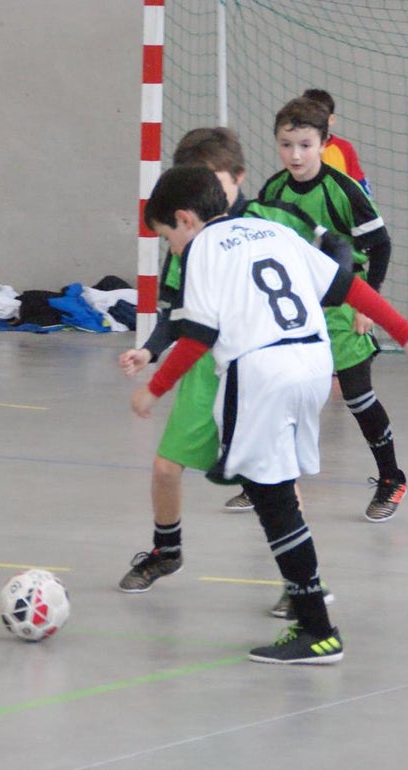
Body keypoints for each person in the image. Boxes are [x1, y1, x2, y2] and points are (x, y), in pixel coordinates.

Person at [132, 165, 408, 664]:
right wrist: (406, 333)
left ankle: (317, 629)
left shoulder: (203, 250)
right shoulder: (273, 230)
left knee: (274, 501)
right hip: (314, 366)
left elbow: (200, 335)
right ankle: (302, 603)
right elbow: (347, 288)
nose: (171, 250)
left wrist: (155, 388)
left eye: (167, 238)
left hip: (262, 374)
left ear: (186, 220)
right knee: (269, 486)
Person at [116, 128, 345, 616]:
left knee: (280, 486)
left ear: (239, 178)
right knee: (164, 467)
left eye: (218, 182)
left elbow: (337, 257)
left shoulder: (268, 222)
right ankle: (167, 550)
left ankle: (303, 589)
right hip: (205, 368)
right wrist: (151, 353)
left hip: (261, 367)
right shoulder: (190, 243)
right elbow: (180, 315)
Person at [253, 96, 408, 528]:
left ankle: (392, 478)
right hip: (294, 305)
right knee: (277, 393)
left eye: (305, 144)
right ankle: (267, 481)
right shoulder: (273, 191)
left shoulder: (344, 190)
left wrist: (368, 304)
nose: (295, 154)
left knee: (358, 397)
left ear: (324, 142)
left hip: (344, 304)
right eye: (287, 145)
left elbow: (381, 246)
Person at [302, 87, 372, 197]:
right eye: (307, 116)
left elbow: (359, 183)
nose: (313, 121)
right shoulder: (297, 149)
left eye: (319, 117)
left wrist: (366, 206)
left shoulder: (344, 148)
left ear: (331, 120)